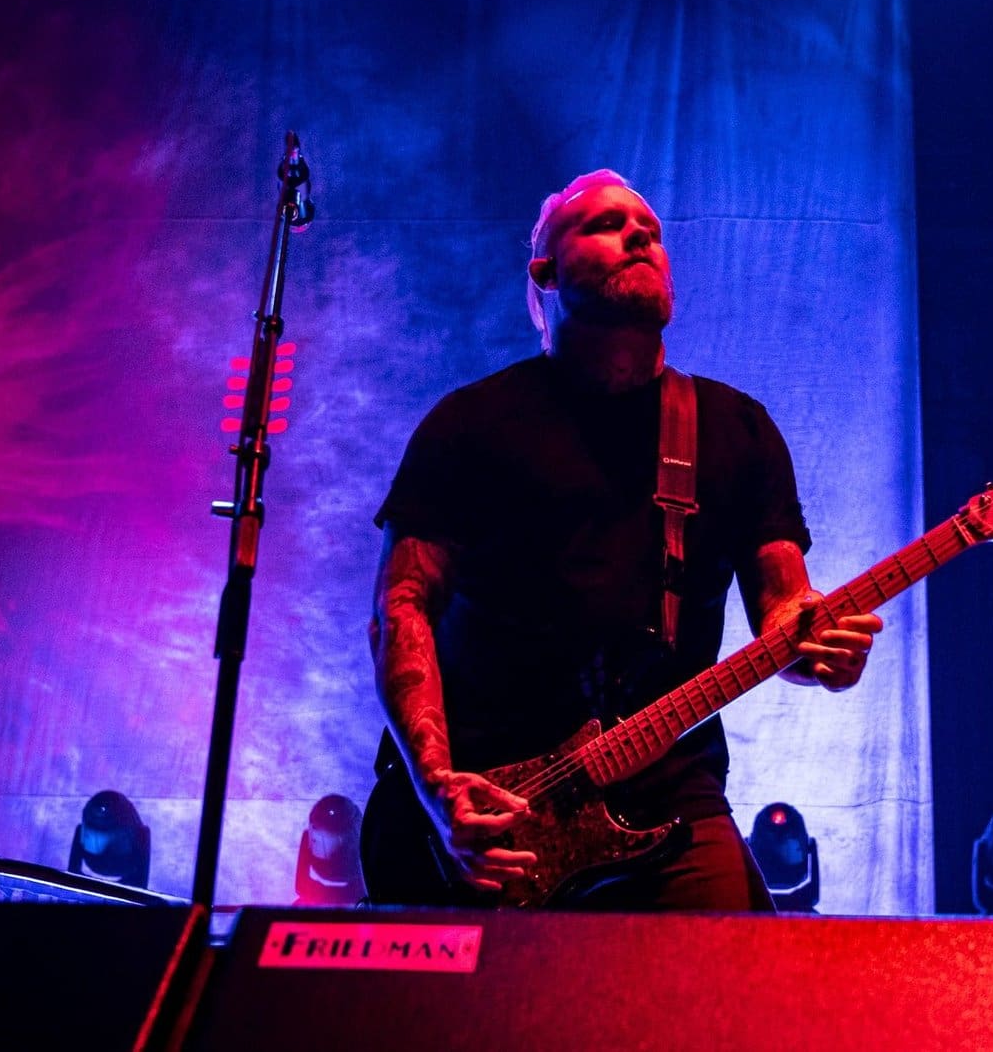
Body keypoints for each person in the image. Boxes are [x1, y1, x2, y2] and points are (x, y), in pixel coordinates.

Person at [361, 169, 883, 913]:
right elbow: (400, 608)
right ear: (544, 270)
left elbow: (785, 609)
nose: (641, 233)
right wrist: (437, 785)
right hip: (488, 801)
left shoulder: (735, 430)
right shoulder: (470, 426)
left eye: (652, 228)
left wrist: (818, 648)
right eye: (605, 224)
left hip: (670, 790)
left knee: (731, 1003)